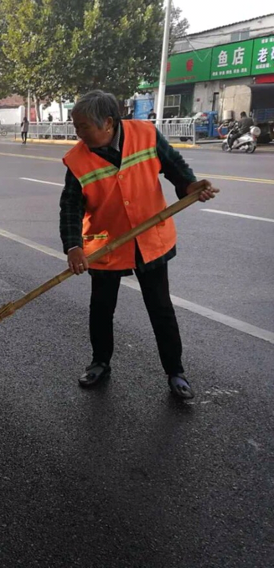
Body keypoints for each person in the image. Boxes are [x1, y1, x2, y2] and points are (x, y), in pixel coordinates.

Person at [60, 90, 218, 400]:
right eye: (75, 126)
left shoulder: (146, 134)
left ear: (108, 123)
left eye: (83, 126)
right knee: (101, 308)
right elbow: (70, 207)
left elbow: (174, 166)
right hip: (106, 244)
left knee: (160, 308)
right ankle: (100, 362)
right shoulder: (77, 159)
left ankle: (175, 371)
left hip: (150, 240)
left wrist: (190, 185)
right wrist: (73, 246)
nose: (78, 133)